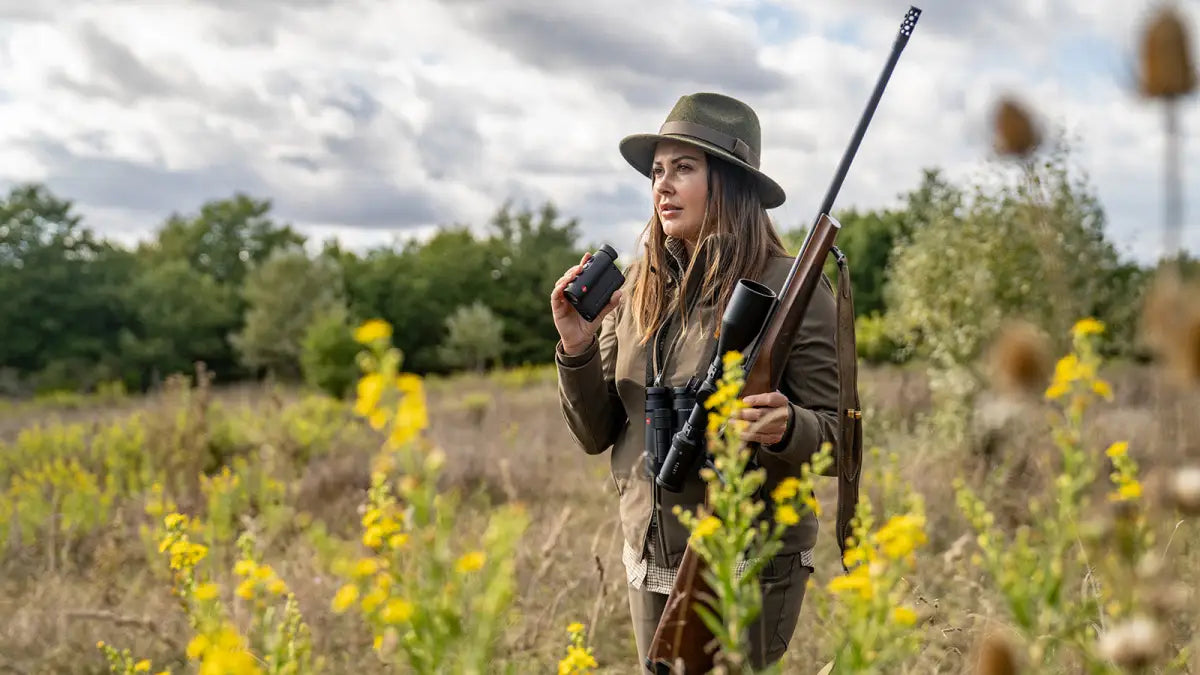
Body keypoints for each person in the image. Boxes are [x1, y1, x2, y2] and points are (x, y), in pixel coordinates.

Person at [550, 92, 840, 670]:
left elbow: (839, 438)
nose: (662, 185)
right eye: (657, 171)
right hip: (649, 557)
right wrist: (576, 348)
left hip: (745, 559)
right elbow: (596, 433)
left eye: (683, 168)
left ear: (730, 183)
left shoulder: (792, 290)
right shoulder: (636, 288)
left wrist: (787, 426)